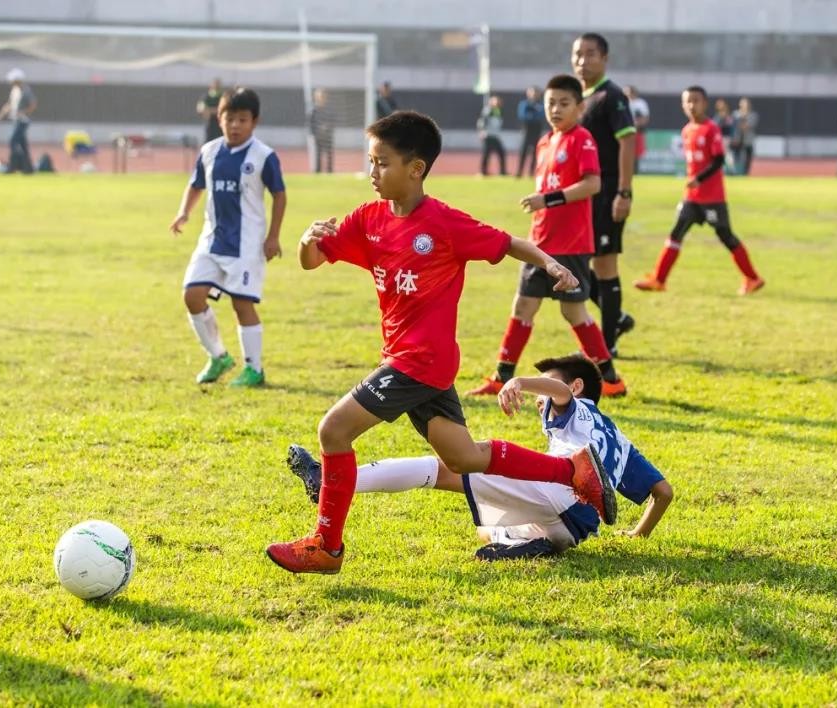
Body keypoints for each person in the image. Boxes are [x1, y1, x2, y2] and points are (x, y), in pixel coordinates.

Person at [264, 110, 618, 575]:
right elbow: (312, 261)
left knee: (333, 431)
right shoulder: (368, 220)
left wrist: (551, 264)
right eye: (370, 162)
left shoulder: (444, 224)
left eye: (382, 163)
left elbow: (507, 241)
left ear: (416, 168)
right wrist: (309, 239)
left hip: (418, 362)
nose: (372, 173)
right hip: (416, 362)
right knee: (463, 456)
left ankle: (326, 547)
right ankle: (573, 472)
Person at [285, 354, 673, 560]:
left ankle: (328, 480)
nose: (540, 399)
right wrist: (638, 534)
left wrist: (519, 381)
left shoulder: (574, 406)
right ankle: (534, 545)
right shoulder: (620, 440)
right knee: (483, 529)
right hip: (575, 529)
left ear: (575, 386)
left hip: (558, 493)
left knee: (441, 468)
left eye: (546, 388)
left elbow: (558, 391)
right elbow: (664, 492)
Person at [468, 75, 626, 399]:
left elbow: (593, 184)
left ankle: (610, 379)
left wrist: (548, 199)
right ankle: (501, 376)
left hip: (571, 245)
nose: (556, 109)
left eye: (564, 103)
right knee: (523, 306)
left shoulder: (581, 139)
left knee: (574, 312)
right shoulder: (544, 142)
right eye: (550, 102)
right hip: (540, 243)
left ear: (580, 108)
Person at [170, 88, 287, 388]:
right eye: (229, 118)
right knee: (191, 295)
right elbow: (196, 184)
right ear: (219, 119)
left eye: (242, 119)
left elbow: (279, 195)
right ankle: (218, 355)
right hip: (211, 239)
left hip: (246, 244)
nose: (235, 125)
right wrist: (184, 212)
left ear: (254, 122)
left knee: (241, 304)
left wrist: (273, 236)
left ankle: (254, 370)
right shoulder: (209, 151)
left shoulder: (263, 156)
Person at [634, 86, 764, 296]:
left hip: (712, 198)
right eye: (688, 101)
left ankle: (752, 277)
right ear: (683, 105)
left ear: (705, 103)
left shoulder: (711, 128)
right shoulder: (687, 130)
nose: (692, 105)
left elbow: (718, 160)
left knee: (726, 236)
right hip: (692, 198)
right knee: (675, 234)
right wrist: (694, 183)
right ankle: (659, 280)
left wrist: (698, 179)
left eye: (696, 101)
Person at [572, 32, 636, 356]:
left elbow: (627, 143)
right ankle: (618, 318)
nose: (583, 61)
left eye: (591, 54)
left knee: (605, 266)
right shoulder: (579, 98)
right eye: (578, 54)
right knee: (578, 265)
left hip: (609, 190)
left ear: (605, 58)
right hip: (585, 196)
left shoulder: (612, 97)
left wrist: (624, 192)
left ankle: (608, 343)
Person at [0, 68, 36, 174]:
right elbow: (9, 104)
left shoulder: (26, 90)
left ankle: (13, 166)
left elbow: (33, 104)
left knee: (13, 142)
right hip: (15, 121)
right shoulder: (14, 91)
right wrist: (1, 114)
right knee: (23, 145)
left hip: (23, 121)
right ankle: (28, 169)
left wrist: (23, 112)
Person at [515, 86, 544, 177]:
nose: (534, 94)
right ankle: (519, 172)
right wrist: (534, 116)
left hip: (537, 131)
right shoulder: (524, 104)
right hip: (526, 131)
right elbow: (523, 116)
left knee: (535, 153)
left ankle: (531, 172)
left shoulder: (541, 104)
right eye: (532, 92)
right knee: (523, 152)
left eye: (536, 92)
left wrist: (532, 115)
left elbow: (541, 115)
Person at [477, 95, 506, 176]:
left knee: (501, 153)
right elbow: (481, 121)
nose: (497, 103)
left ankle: (503, 172)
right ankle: (483, 172)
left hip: (496, 136)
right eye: (495, 101)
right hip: (488, 135)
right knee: (486, 154)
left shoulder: (498, 111)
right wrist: (481, 131)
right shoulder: (487, 110)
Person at [308, 88, 335, 174]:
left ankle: (329, 171)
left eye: (322, 96)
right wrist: (315, 132)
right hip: (318, 136)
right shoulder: (314, 110)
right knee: (318, 155)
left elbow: (332, 121)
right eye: (319, 96)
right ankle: (318, 171)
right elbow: (310, 123)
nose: (321, 98)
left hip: (328, 136)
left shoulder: (329, 109)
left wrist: (327, 127)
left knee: (329, 155)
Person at [624, 85, 650, 173]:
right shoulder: (622, 103)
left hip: (637, 131)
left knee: (636, 153)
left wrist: (636, 125)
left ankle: (635, 171)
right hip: (624, 132)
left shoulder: (640, 103)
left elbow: (645, 117)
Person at [731, 97, 758, 176]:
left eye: (746, 103)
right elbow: (733, 126)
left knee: (747, 160)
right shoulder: (735, 114)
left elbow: (747, 126)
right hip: (736, 141)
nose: (744, 105)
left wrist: (741, 121)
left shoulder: (753, 115)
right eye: (743, 103)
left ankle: (745, 174)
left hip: (748, 141)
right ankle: (736, 173)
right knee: (736, 159)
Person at [196, 78, 224, 144]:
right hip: (210, 124)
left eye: (218, 85)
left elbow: (222, 109)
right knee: (209, 143)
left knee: (220, 142)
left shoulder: (222, 96)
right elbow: (200, 109)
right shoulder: (206, 97)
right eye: (215, 84)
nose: (216, 86)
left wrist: (210, 110)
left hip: (220, 124)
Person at [713, 98, 736, 173]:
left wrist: (733, 137)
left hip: (725, 137)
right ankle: (722, 169)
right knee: (720, 154)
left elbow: (731, 127)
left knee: (726, 153)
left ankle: (731, 169)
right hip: (718, 137)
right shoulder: (718, 115)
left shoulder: (728, 116)